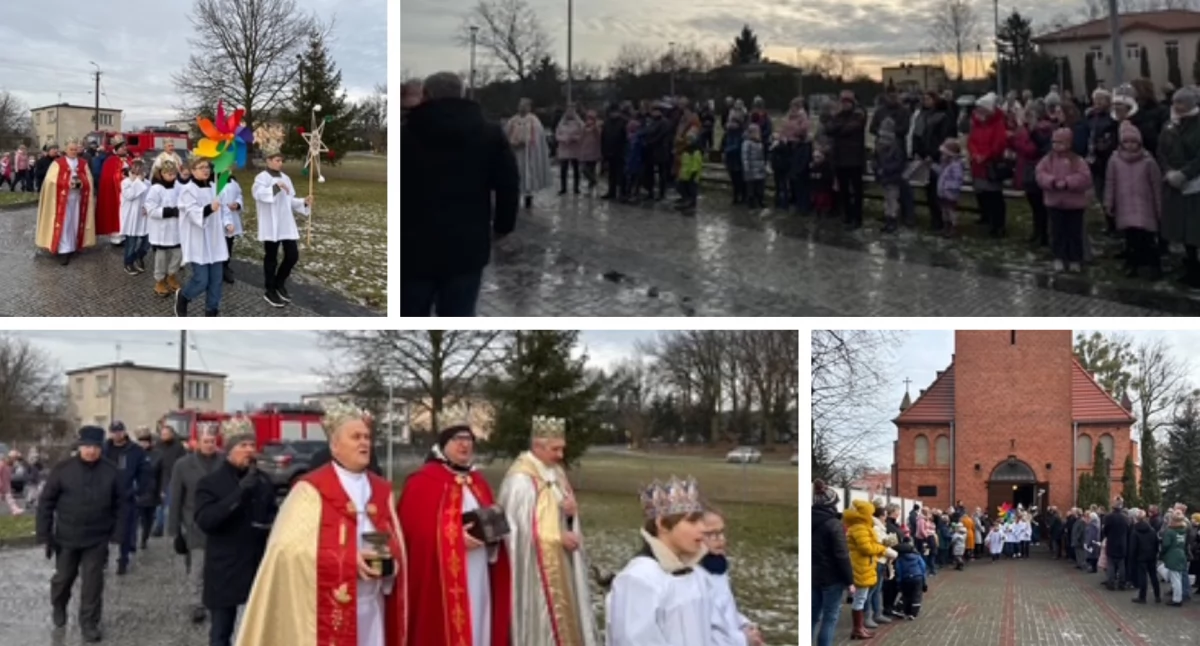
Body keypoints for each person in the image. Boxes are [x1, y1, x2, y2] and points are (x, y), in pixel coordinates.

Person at [236, 405, 408, 646]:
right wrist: (348, 560)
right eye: (356, 437)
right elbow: (285, 550)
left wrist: (391, 560)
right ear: (334, 446)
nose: (365, 443)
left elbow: (392, 539)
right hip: (326, 606)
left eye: (367, 437)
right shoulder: (310, 490)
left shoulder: (381, 489)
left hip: (373, 602)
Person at [400, 71, 519, 317]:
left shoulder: (407, 135)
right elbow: (508, 185)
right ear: (463, 94)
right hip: (467, 246)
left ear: (427, 95)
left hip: (414, 246)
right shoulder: (490, 134)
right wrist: (503, 227)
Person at [399, 413, 512, 646]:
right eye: (457, 439)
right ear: (443, 445)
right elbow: (414, 534)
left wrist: (493, 536)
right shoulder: (422, 481)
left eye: (469, 438)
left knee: (478, 620)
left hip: (479, 570)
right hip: (440, 578)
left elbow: (493, 525)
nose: (465, 444)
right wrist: (453, 539)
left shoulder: (477, 481)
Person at [496, 415, 598, 646]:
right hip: (533, 570)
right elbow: (517, 530)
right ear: (537, 446)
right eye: (556, 449)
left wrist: (571, 515)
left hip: (562, 561)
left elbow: (562, 512)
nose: (561, 455)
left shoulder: (556, 472)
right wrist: (556, 537)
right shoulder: (520, 480)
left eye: (562, 449)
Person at [606, 476, 723, 646]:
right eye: (692, 521)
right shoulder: (639, 579)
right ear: (662, 524)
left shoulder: (697, 575)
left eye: (701, 521)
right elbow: (633, 641)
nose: (703, 528)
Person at [36, 426, 125, 643]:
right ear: (79, 447)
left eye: (95, 447)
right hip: (66, 537)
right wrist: (44, 534)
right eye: (86, 447)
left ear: (100, 448)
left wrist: (118, 533)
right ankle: (59, 604)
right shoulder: (63, 469)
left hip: (97, 537)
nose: (90, 451)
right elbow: (46, 502)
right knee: (63, 578)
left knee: (92, 583)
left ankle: (89, 623)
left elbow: (123, 504)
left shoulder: (111, 471)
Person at [193, 418, 277, 646]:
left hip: (256, 564)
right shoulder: (210, 483)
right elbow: (206, 520)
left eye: (252, 445)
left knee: (256, 631)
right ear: (229, 450)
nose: (249, 450)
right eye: (243, 446)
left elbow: (273, 514)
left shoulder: (263, 481)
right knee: (221, 632)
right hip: (225, 568)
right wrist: (239, 493)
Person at [167, 424, 224, 624]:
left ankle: (216, 599)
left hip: (220, 524)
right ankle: (196, 604)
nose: (209, 445)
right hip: (195, 525)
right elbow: (175, 497)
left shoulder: (223, 462)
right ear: (197, 443)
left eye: (213, 442)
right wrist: (174, 529)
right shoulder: (183, 465)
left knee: (218, 566)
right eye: (206, 442)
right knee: (197, 567)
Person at [252, 146, 311, 308]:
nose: (280, 163)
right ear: (268, 161)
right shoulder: (261, 178)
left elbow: (289, 200)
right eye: (277, 160)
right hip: (271, 222)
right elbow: (258, 194)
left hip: (285, 222)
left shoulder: (286, 177)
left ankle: (279, 282)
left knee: (292, 256)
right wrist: (276, 187)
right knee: (271, 257)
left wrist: (303, 202)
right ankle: (269, 289)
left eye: (281, 161)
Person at [1105, 121, 1163, 279]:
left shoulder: (1148, 162)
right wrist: (1108, 203)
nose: (1130, 145)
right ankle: (1133, 264)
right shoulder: (1115, 160)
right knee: (1131, 238)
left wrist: (1160, 209)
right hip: (1124, 205)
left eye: (1133, 142)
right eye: (1126, 142)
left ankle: (1152, 266)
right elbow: (1111, 183)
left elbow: (1156, 186)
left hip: (1145, 205)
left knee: (1147, 238)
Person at [1157, 86, 1200, 288]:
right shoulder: (1169, 124)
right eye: (1175, 102)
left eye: (1181, 102)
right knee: (1180, 227)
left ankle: (1195, 268)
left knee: (1194, 229)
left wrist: (1185, 173)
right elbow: (1161, 151)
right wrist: (1167, 172)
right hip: (1173, 183)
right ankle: (1187, 265)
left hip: (1195, 183)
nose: (1177, 106)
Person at [701, 507, 763, 646]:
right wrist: (743, 639)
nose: (721, 539)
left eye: (722, 532)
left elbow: (727, 611)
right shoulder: (693, 577)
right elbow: (706, 632)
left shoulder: (718, 567)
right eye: (712, 534)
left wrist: (746, 625)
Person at [175, 157, 228, 317]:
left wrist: (228, 223)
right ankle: (184, 296)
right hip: (197, 240)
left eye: (207, 167)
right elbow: (192, 213)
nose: (206, 170)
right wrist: (209, 209)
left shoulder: (215, 187)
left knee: (216, 281)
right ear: (192, 171)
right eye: (201, 167)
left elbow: (224, 209)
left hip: (215, 240)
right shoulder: (188, 190)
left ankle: (211, 310)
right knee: (201, 280)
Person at [1036, 128, 1094, 273]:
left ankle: (1075, 259)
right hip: (1055, 202)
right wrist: (1052, 182)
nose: (1057, 146)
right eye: (1054, 142)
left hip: (1074, 204)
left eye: (1060, 143)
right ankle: (1058, 257)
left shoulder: (1077, 160)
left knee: (1074, 233)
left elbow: (1085, 178)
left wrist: (1068, 183)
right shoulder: (1048, 159)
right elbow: (1040, 174)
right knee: (1057, 233)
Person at [35, 137, 96, 266]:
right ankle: (64, 249)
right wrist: (67, 183)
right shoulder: (58, 163)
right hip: (62, 200)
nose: (74, 152)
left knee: (75, 222)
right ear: (66, 150)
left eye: (75, 149)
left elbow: (89, 180)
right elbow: (50, 181)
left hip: (78, 199)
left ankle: (73, 245)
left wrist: (81, 182)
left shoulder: (83, 163)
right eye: (71, 149)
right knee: (65, 223)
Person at [102, 421, 151, 576]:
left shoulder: (135, 450)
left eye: (119, 431)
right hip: (104, 495)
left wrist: (138, 491)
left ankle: (123, 560)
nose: (117, 434)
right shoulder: (104, 448)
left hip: (126, 495)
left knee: (125, 530)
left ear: (124, 432)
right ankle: (102, 559)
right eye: (114, 431)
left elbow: (144, 472)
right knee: (102, 530)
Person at [843, 499, 895, 640]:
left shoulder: (860, 526)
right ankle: (858, 628)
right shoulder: (860, 527)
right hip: (862, 565)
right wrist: (882, 548)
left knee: (862, 597)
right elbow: (866, 548)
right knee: (860, 598)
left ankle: (860, 627)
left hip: (864, 564)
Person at [811, 480, 853, 646]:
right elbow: (841, 555)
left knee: (812, 616)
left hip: (813, 575)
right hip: (832, 577)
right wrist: (850, 581)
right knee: (829, 618)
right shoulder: (834, 525)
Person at [967, 93, 1010, 238]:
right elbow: (971, 141)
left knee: (994, 196)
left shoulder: (997, 123)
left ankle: (998, 225)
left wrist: (985, 156)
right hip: (978, 164)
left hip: (990, 164)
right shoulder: (976, 123)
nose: (979, 112)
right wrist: (974, 154)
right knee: (983, 194)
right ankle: (988, 220)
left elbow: (999, 144)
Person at [827, 90, 868, 230]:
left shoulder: (858, 116)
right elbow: (829, 129)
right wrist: (838, 128)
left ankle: (857, 218)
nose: (844, 105)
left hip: (854, 159)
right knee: (844, 190)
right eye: (842, 102)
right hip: (840, 159)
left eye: (847, 102)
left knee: (856, 191)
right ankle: (848, 215)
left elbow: (848, 129)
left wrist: (838, 128)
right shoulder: (838, 116)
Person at [145, 160, 183, 297]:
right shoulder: (156, 189)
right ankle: (159, 280)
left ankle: (171, 275)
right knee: (161, 257)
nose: (171, 176)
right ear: (161, 174)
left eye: (173, 174)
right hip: (161, 230)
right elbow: (150, 208)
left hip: (176, 229)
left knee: (178, 254)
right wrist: (169, 211)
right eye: (168, 174)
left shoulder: (179, 187)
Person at [505, 97, 551, 209]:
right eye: (520, 105)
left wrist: (527, 141)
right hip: (515, 152)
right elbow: (506, 134)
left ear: (529, 107)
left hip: (528, 154)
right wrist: (512, 143)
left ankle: (528, 198)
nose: (522, 107)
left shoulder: (533, 120)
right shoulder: (512, 120)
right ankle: (514, 196)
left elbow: (538, 136)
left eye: (525, 105)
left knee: (527, 174)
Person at [152, 424, 188, 537]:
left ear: (172, 434)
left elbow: (183, 462)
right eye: (163, 434)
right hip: (160, 477)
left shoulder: (178, 447)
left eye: (167, 434)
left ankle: (173, 526)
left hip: (173, 477)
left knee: (171, 504)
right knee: (159, 504)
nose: (164, 436)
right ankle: (159, 527)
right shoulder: (157, 445)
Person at [118, 158, 151, 275]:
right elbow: (130, 195)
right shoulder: (125, 182)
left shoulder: (147, 183)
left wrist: (148, 207)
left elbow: (150, 198)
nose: (138, 171)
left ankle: (138, 256)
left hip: (143, 216)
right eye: (136, 168)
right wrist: (137, 182)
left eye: (141, 169)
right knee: (131, 242)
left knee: (147, 241)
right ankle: (128, 263)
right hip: (131, 216)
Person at [94, 137, 129, 241]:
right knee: (116, 213)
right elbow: (108, 177)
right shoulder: (110, 161)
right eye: (122, 147)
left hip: (128, 193)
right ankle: (116, 236)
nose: (124, 149)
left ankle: (126, 233)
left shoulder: (129, 159)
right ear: (116, 149)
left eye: (125, 147)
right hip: (115, 192)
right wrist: (121, 176)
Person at [874, 117, 906, 233]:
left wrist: (885, 169)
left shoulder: (896, 147)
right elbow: (876, 160)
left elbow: (899, 163)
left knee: (892, 200)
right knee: (887, 200)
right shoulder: (880, 146)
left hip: (892, 177)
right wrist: (877, 169)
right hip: (884, 177)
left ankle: (893, 221)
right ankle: (888, 220)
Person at [1130, 509, 1161, 604]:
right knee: (1154, 576)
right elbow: (1156, 543)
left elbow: (1133, 547)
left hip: (1140, 557)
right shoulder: (1152, 530)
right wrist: (1155, 553)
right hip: (1151, 556)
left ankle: (1142, 597)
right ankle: (1157, 596)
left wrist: (1132, 558)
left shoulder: (1135, 531)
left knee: (1142, 577)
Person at [218, 173, 244, 284]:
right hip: (218, 218)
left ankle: (225, 265)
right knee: (219, 244)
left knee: (229, 243)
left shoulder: (233, 181)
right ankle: (218, 267)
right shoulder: (215, 182)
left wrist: (237, 204)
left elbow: (239, 195)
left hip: (232, 217)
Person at [893, 538, 927, 619]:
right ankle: (913, 613)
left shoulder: (900, 559)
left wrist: (899, 582)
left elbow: (899, 571)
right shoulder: (917, 556)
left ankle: (899, 609)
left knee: (906, 595)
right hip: (918, 577)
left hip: (906, 578)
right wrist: (924, 580)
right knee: (917, 595)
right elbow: (923, 567)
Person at [1161, 510, 1189, 606]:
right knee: (1178, 577)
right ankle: (1178, 597)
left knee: (1175, 579)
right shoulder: (1183, 531)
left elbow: (1165, 545)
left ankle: (1177, 599)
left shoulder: (1170, 532)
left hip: (1172, 556)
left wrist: (1162, 554)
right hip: (1181, 554)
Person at [555, 103, 583, 195]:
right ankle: (563, 188)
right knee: (563, 169)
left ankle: (576, 188)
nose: (569, 113)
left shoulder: (579, 122)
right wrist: (563, 139)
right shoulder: (561, 122)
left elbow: (583, 133)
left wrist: (574, 138)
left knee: (576, 169)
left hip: (575, 148)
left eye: (572, 110)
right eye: (568, 110)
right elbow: (557, 134)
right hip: (564, 148)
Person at [741, 123, 766, 209]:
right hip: (751, 170)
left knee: (760, 188)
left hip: (759, 169)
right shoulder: (747, 143)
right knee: (751, 189)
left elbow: (762, 156)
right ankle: (751, 204)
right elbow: (745, 157)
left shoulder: (759, 143)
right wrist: (747, 168)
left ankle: (760, 201)